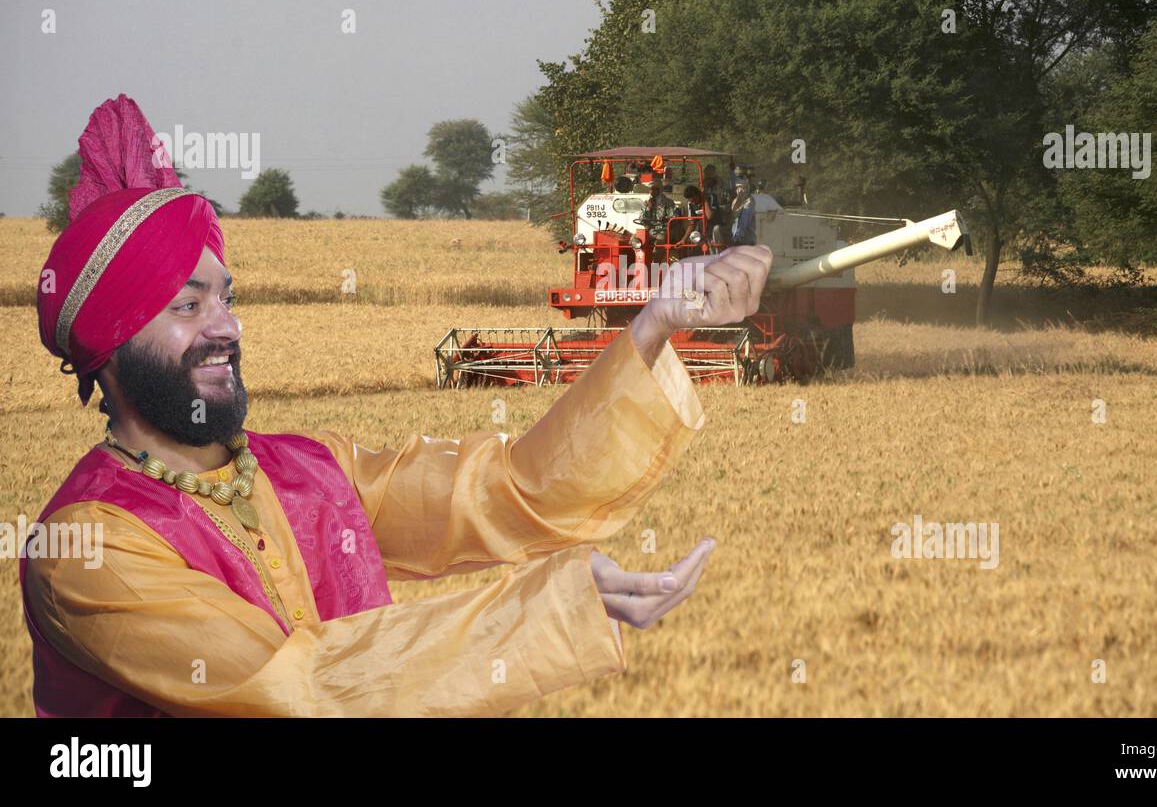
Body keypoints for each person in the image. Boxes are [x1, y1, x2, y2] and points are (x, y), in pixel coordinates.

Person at [22, 94, 776, 717]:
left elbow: (511, 491)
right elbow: (298, 690)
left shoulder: (309, 471)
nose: (224, 326)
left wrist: (653, 323)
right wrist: (552, 610)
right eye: (188, 305)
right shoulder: (91, 548)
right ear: (111, 345)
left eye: (227, 298)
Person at [643, 177, 678, 261]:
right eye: (650, 189)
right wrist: (648, 209)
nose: (652, 191)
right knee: (634, 239)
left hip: (663, 230)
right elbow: (641, 219)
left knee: (660, 240)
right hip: (649, 231)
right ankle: (638, 262)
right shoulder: (646, 203)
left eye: (654, 189)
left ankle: (655, 264)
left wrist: (665, 220)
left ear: (660, 190)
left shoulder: (668, 202)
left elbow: (674, 219)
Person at [730, 178, 758, 246]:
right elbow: (734, 214)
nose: (739, 190)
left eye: (741, 187)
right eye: (737, 188)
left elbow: (744, 222)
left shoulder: (749, 201)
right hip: (736, 237)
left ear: (746, 188)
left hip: (745, 238)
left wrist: (736, 239)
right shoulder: (737, 200)